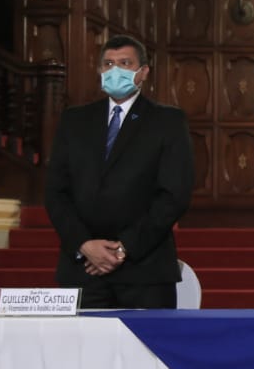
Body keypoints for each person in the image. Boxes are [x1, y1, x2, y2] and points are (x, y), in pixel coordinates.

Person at [45, 35, 195, 309]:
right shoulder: (74, 120)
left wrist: (123, 248)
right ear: (101, 71)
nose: (115, 71)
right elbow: (56, 192)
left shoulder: (167, 121)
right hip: (82, 271)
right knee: (81, 352)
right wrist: (84, 245)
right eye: (108, 64)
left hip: (144, 271)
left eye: (125, 63)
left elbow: (174, 194)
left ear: (144, 72)